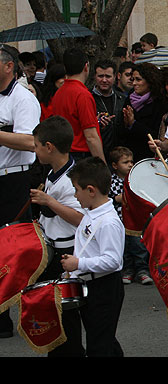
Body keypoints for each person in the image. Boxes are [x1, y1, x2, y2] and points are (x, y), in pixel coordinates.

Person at [29, 116, 86, 356]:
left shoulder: (73, 178)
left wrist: (49, 202)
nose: (35, 150)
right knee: (54, 312)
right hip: (52, 249)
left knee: (67, 314)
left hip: (67, 253)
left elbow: (81, 219)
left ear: (49, 147)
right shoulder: (53, 172)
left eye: (36, 146)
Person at [62, 157, 126, 357]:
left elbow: (113, 260)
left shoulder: (108, 222)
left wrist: (78, 263)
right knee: (102, 338)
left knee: (99, 345)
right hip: (90, 284)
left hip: (105, 287)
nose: (75, 195)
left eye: (76, 190)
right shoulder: (91, 212)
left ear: (91, 190)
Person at [0, 44, 41, 339]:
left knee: (13, 251)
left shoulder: (23, 98)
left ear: (8, 66)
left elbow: (30, 142)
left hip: (13, 181)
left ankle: (31, 317)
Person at [50, 48, 105, 163]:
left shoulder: (59, 93)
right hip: (81, 156)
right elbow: (90, 136)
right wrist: (102, 164)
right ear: (86, 66)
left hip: (63, 154)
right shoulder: (83, 95)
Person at [107, 146, 151, 285]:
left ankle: (142, 271)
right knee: (124, 247)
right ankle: (127, 271)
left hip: (136, 220)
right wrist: (116, 199)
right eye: (125, 162)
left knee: (139, 246)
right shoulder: (111, 182)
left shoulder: (136, 179)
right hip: (120, 220)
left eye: (131, 161)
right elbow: (110, 198)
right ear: (115, 165)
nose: (130, 164)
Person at [119, 62, 168, 163]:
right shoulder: (130, 97)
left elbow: (157, 133)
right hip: (129, 155)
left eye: (138, 80)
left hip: (149, 156)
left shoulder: (160, 102)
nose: (134, 83)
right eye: (133, 79)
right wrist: (126, 124)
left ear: (149, 81)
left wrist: (134, 124)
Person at [92, 59, 126, 160]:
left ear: (115, 77)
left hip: (119, 155)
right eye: (100, 76)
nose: (104, 80)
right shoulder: (88, 98)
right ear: (94, 76)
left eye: (108, 76)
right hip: (97, 154)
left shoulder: (122, 99)